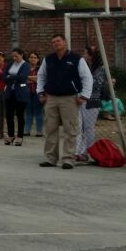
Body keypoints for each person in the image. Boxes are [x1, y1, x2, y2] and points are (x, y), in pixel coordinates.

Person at [35, 34, 92, 170]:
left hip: (70, 98)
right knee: (50, 129)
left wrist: (84, 96)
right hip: (51, 98)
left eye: (58, 41)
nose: (56, 43)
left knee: (70, 129)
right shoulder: (48, 59)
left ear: (65, 42)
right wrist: (40, 92)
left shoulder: (76, 59)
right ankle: (50, 158)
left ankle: (68, 159)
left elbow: (87, 78)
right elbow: (41, 76)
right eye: (53, 42)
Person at [2, 48, 31, 146]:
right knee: (9, 115)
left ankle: (20, 136)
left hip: (21, 93)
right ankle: (11, 135)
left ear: (21, 54)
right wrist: (12, 78)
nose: (14, 58)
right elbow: (4, 77)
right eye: (13, 56)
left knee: (20, 115)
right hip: (10, 92)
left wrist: (10, 77)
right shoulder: (10, 64)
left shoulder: (26, 65)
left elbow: (23, 77)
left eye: (16, 56)